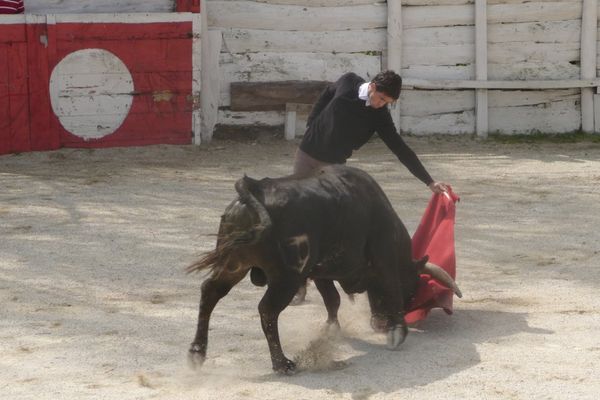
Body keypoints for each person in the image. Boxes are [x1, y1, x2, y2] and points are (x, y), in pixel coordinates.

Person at [290, 70, 450, 304]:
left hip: (333, 167)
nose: (381, 105)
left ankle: (332, 277)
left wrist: (429, 181)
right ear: (373, 87)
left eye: (387, 103)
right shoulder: (347, 82)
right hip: (306, 156)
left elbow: (400, 149)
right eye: (382, 99)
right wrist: (312, 125)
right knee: (299, 218)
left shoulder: (379, 116)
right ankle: (299, 283)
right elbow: (326, 93)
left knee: (328, 223)